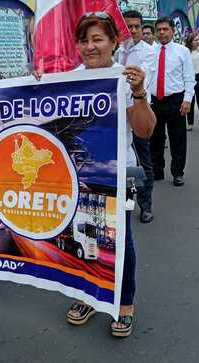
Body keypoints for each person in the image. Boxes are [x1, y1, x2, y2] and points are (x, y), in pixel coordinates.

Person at [48, 11, 155, 338]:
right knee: (82, 237)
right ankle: (89, 295)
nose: (90, 47)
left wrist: (138, 94)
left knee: (120, 241)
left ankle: (124, 303)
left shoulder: (126, 79)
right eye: (84, 40)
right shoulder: (69, 79)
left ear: (113, 42)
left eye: (97, 39)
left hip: (115, 176)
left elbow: (145, 130)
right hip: (78, 176)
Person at [114, 10, 156, 223]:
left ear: (141, 28)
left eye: (136, 26)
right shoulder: (117, 50)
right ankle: (125, 203)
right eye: (127, 26)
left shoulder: (148, 52)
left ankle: (145, 205)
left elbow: (141, 79)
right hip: (118, 112)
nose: (132, 30)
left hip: (138, 109)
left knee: (143, 162)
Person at [148, 17, 195, 186]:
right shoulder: (150, 52)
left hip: (176, 100)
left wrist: (187, 100)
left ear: (172, 31)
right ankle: (157, 170)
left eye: (165, 29)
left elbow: (189, 78)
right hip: (154, 101)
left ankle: (178, 172)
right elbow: (147, 78)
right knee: (155, 139)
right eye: (159, 29)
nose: (162, 32)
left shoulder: (182, 51)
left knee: (178, 139)